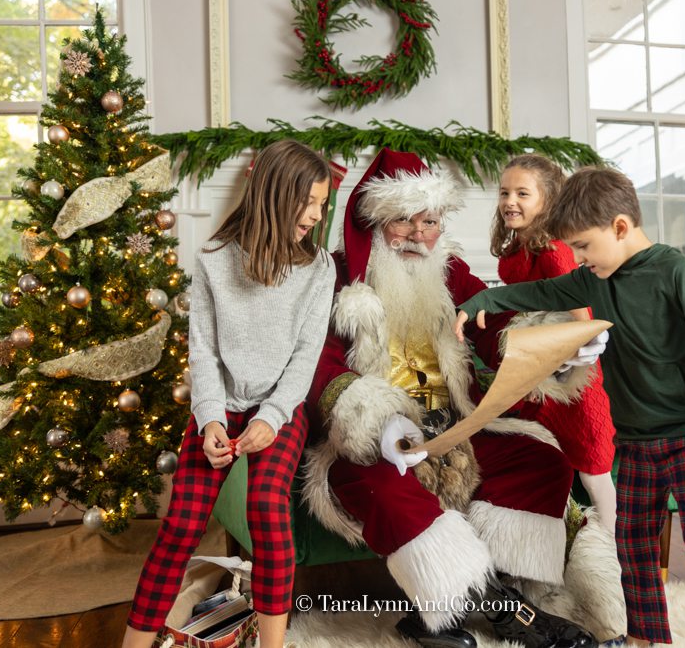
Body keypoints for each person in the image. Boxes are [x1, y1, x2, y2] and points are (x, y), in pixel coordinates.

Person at [301, 147, 623, 648]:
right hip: (372, 440)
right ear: (376, 223)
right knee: (386, 490)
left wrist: (558, 347)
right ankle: (508, 616)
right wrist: (377, 422)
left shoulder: (450, 274)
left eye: (428, 221)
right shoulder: (338, 278)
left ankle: (461, 609)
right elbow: (319, 366)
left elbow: (499, 326)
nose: (418, 235)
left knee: (541, 461)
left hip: (454, 426)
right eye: (402, 222)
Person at [454, 165, 685, 648]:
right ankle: (647, 639)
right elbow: (539, 293)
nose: (578, 258)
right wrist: (484, 299)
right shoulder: (593, 279)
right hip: (637, 443)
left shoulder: (672, 271)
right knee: (633, 548)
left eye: (583, 246)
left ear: (620, 228)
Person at [122, 140, 338, 648]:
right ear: (273, 195)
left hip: (277, 412)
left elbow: (305, 357)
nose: (315, 214)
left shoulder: (318, 268)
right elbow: (204, 354)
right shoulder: (216, 258)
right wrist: (211, 420)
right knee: (179, 525)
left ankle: (272, 644)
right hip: (218, 411)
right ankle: (133, 642)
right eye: (307, 202)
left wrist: (273, 416)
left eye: (322, 204)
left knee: (266, 506)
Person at [492, 154, 618, 534]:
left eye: (522, 193)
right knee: (539, 456)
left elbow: (583, 323)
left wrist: (555, 368)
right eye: (504, 192)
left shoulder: (554, 252)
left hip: (576, 376)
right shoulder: (516, 251)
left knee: (595, 472)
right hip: (540, 370)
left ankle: (619, 553)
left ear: (547, 200)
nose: (509, 200)